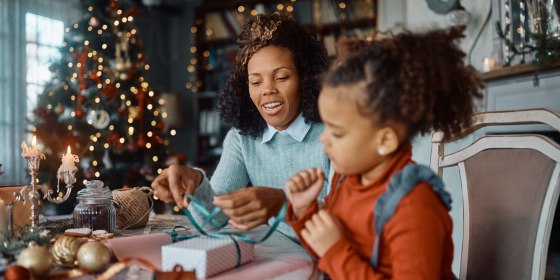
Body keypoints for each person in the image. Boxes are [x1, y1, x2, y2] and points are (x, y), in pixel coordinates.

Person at [285, 28, 484, 279]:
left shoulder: (413, 206)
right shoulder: (347, 180)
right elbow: (327, 260)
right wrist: (306, 213)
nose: (323, 138)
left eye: (337, 132)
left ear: (385, 140)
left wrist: (335, 250)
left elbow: (335, 257)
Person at [151, 13, 330, 239]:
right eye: (255, 81)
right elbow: (213, 219)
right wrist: (195, 183)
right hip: (279, 256)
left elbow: (347, 216)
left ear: (305, 80)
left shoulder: (333, 133)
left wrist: (283, 202)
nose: (267, 90)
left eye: (282, 77)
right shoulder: (242, 137)